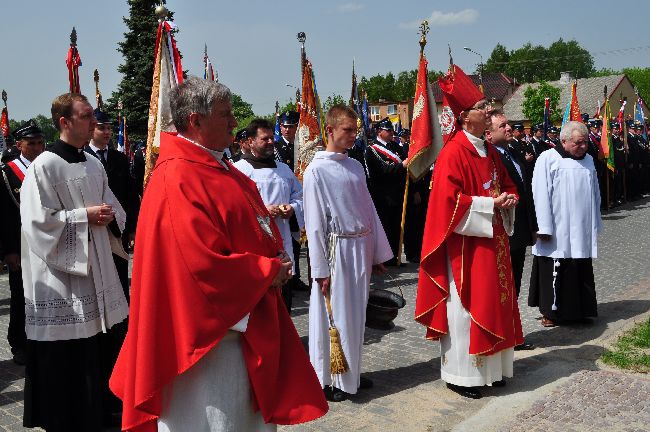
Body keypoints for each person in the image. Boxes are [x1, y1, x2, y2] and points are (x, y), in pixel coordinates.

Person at [110, 77, 327, 432]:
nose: (233, 122)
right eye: (225, 115)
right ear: (195, 121)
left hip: (241, 329)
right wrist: (265, 272)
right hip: (209, 346)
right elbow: (197, 264)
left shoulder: (216, 165)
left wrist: (274, 257)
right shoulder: (177, 177)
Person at [20, 93, 129, 431]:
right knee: (67, 354)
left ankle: (99, 411)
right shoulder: (44, 167)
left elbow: (113, 208)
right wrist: (84, 216)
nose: (94, 122)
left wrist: (111, 216)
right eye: (86, 116)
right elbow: (38, 223)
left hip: (95, 271)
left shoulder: (94, 164)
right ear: (65, 122)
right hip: (62, 280)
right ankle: (64, 418)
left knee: (98, 347)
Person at [415, 66, 523, 400]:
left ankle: (495, 370)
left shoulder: (489, 150)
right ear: (465, 118)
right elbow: (448, 205)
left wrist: (508, 198)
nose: (488, 110)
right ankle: (464, 376)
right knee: (465, 312)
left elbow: (505, 184)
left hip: (493, 242)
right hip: (465, 247)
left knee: (498, 302)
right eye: (481, 107)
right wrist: (491, 203)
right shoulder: (452, 154)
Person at [304, 104, 393, 403]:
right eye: (347, 130)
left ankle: (351, 372)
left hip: (360, 245)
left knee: (356, 315)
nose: (354, 135)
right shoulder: (315, 170)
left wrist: (377, 253)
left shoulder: (355, 165)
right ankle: (329, 378)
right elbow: (314, 223)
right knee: (335, 316)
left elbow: (369, 210)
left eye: (355, 130)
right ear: (329, 130)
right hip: (336, 250)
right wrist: (320, 269)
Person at [528, 121, 603, 327]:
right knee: (555, 265)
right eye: (578, 143)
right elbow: (540, 193)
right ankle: (550, 312)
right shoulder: (548, 158)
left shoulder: (588, 160)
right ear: (563, 140)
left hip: (582, 226)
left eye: (585, 143)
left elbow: (595, 192)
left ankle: (580, 310)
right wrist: (543, 226)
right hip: (557, 227)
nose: (583, 147)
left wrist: (595, 221)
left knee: (580, 265)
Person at [234, 118, 304, 312]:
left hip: (283, 240)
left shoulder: (284, 170)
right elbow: (234, 206)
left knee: (284, 299)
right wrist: (263, 209)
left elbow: (300, 197)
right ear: (250, 142)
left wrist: (292, 208)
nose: (271, 142)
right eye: (265, 139)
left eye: (272, 138)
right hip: (255, 243)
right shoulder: (239, 170)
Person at [486, 111, 537, 351]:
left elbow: (525, 192)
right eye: (503, 126)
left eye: (508, 125)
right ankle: (506, 334)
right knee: (505, 284)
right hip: (505, 228)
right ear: (489, 133)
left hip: (519, 226)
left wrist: (533, 227)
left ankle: (513, 332)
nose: (509, 129)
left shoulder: (513, 151)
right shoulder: (490, 157)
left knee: (514, 281)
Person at [0, 121, 45, 365]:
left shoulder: (48, 166)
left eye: (40, 142)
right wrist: (8, 251)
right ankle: (19, 342)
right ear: (19, 145)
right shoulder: (7, 173)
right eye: (31, 144)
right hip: (20, 243)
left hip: (46, 241)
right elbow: (4, 216)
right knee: (20, 295)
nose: (37, 148)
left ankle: (43, 339)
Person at [85, 108, 139, 301]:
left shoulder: (120, 158)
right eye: (102, 128)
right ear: (91, 130)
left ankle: (123, 323)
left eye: (109, 128)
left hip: (119, 228)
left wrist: (132, 228)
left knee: (120, 275)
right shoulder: (82, 157)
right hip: (94, 228)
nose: (107, 132)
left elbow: (131, 195)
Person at [365, 117, 408, 265]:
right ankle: (386, 259)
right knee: (386, 227)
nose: (391, 133)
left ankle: (396, 256)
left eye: (391, 130)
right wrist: (401, 166)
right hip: (383, 195)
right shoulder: (371, 151)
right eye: (388, 130)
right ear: (379, 132)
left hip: (398, 193)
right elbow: (381, 172)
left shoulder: (395, 148)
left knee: (397, 226)